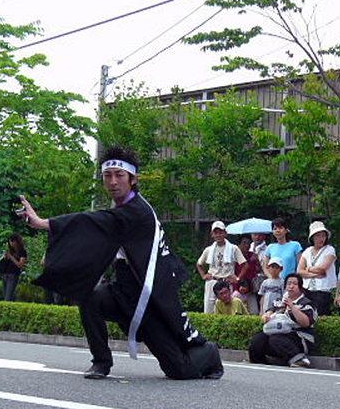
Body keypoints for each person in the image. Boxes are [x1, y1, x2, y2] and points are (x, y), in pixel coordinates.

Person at [20, 145, 223, 381]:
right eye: (108, 176)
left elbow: (93, 222)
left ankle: (209, 353)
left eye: (120, 175)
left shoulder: (137, 211)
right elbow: (97, 243)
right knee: (90, 297)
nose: (113, 181)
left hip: (149, 297)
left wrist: (45, 223)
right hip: (124, 288)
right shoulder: (120, 210)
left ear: (133, 179)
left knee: (178, 369)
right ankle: (101, 362)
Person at [248, 273, 316, 368]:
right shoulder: (281, 300)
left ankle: (299, 359)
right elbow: (270, 311)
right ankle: (259, 362)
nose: (291, 286)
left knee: (276, 338)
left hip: (300, 337)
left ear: (300, 287)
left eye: (295, 284)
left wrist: (292, 306)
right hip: (280, 334)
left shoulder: (306, 303)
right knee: (258, 338)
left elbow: (306, 323)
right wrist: (267, 316)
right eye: (288, 284)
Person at [196, 221, 246, 313]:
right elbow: (199, 264)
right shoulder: (209, 249)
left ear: (225, 233)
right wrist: (203, 275)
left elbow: (244, 265)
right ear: (212, 234)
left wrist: (238, 278)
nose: (218, 235)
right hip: (213, 280)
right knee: (209, 308)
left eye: (220, 232)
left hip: (226, 281)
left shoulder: (233, 248)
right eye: (216, 233)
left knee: (228, 308)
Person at [297, 221, 337, 316]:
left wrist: (308, 268)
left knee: (321, 316)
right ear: (312, 237)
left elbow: (322, 269)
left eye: (323, 236)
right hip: (307, 289)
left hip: (323, 290)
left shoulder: (329, 249)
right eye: (318, 236)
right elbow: (299, 271)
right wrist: (314, 274)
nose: (321, 238)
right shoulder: (307, 251)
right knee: (307, 315)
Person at [234, 234, 260, 314]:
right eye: (244, 243)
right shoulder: (234, 256)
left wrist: (257, 261)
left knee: (254, 312)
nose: (247, 245)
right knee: (237, 312)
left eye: (249, 243)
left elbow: (258, 270)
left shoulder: (252, 254)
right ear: (238, 245)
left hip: (250, 289)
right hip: (238, 288)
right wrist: (250, 260)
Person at [0, 233, 28, 302]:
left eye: (13, 241)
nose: (11, 243)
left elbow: (20, 265)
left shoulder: (22, 252)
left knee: (8, 297)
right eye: (10, 241)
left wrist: (11, 257)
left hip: (13, 274)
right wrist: (5, 257)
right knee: (6, 295)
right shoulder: (9, 250)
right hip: (5, 274)